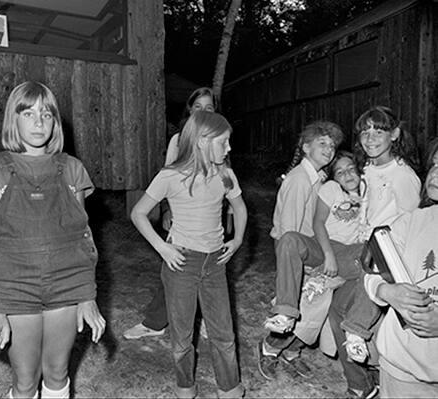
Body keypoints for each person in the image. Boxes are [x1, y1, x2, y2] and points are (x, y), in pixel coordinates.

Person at [0, 81, 106, 399]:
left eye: (47, 114)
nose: (38, 121)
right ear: (13, 119)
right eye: (28, 112)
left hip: (65, 284)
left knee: (58, 372)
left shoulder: (72, 169)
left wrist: (86, 295)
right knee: (25, 378)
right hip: (16, 286)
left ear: (56, 122)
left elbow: (80, 239)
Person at [130, 111, 247, 398]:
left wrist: (237, 240)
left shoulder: (225, 174)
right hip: (182, 262)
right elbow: (139, 213)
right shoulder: (169, 175)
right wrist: (163, 247)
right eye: (224, 142)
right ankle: (185, 387)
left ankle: (229, 388)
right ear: (203, 141)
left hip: (215, 262)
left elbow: (240, 209)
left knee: (224, 332)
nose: (229, 148)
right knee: (182, 335)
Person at [328, 106, 421, 398]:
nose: (370, 138)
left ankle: (366, 376)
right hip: (360, 247)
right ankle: (361, 382)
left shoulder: (403, 175)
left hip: (384, 256)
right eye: (365, 132)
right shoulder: (365, 167)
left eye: (378, 131)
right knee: (334, 307)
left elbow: (411, 224)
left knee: (347, 310)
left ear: (394, 134)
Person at [123, 87, 218, 340]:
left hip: (210, 220)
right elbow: (168, 177)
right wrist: (167, 210)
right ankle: (155, 323)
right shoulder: (179, 141)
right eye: (198, 107)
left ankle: (208, 319)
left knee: (210, 273)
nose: (203, 112)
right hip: (184, 219)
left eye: (209, 108)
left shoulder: (220, 140)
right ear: (189, 111)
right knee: (176, 268)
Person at [257, 121, 344, 379]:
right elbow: (289, 233)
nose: (329, 149)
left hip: (309, 247)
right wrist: (301, 268)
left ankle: (293, 351)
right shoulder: (298, 180)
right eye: (322, 143)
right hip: (295, 249)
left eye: (332, 145)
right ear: (306, 147)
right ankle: (269, 349)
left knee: (319, 303)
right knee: (303, 302)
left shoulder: (317, 178)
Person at [361, 137, 438, 398]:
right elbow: (371, 271)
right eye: (435, 164)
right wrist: (386, 291)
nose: (436, 173)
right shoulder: (412, 221)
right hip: (400, 367)